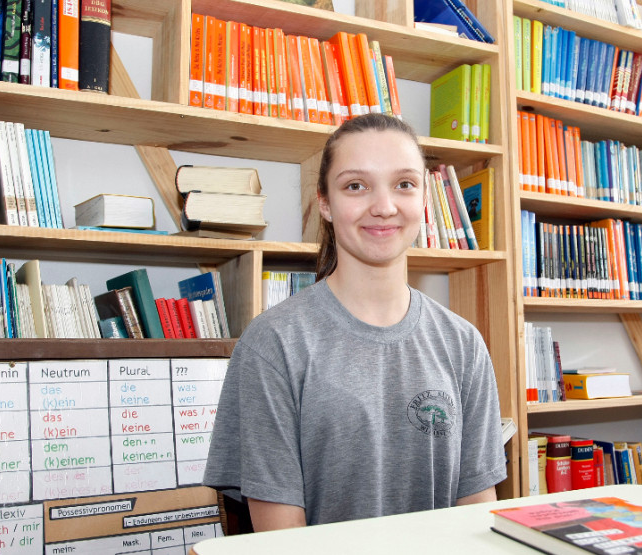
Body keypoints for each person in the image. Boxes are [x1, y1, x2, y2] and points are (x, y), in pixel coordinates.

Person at [203, 113, 506, 531]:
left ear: (424, 198)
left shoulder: (463, 343)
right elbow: (280, 542)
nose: (383, 207)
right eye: (356, 186)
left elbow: (476, 515)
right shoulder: (274, 343)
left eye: (404, 184)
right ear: (325, 204)